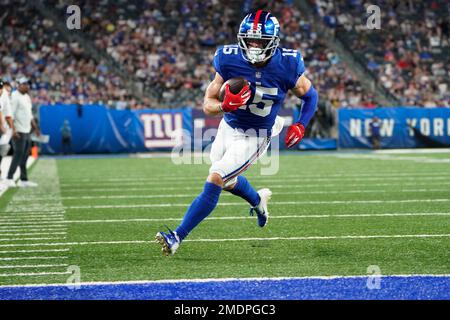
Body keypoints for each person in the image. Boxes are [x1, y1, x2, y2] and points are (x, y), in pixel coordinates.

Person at [155, 10, 318, 256]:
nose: (253, 46)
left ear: (272, 42)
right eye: (249, 40)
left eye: (259, 41)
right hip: (228, 126)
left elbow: (310, 95)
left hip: (257, 133)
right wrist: (223, 106)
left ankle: (177, 236)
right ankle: (258, 201)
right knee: (228, 180)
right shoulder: (228, 59)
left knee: (216, 177)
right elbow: (208, 102)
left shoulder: (287, 64)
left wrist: (301, 124)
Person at [4, 77, 41, 188]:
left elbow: (29, 115)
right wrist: (13, 130)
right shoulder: (15, 96)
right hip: (18, 130)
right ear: (18, 85)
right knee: (18, 154)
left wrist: (35, 127)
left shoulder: (27, 97)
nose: (27, 86)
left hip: (26, 130)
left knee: (25, 155)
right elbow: (10, 115)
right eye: (25, 84)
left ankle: (23, 179)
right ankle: (9, 178)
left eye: (28, 84)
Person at [0, 80, 15, 180]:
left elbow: (7, 115)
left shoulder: (5, 96)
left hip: (3, 129)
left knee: (2, 151)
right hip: (2, 128)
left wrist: (11, 129)